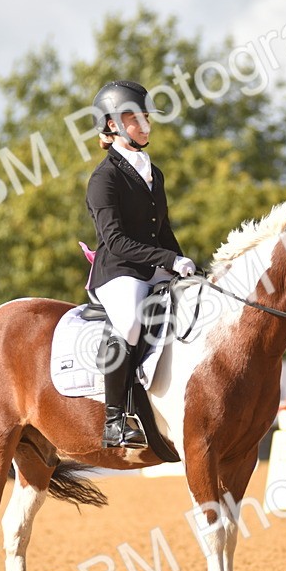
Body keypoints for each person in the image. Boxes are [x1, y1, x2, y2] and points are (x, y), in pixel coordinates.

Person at [85, 80, 196, 448]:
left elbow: (162, 229)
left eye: (145, 116)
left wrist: (187, 266)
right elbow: (114, 240)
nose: (144, 124)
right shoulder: (104, 179)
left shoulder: (154, 172)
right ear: (112, 125)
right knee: (132, 322)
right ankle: (115, 419)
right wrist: (169, 260)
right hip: (118, 270)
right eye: (134, 117)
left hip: (154, 264)